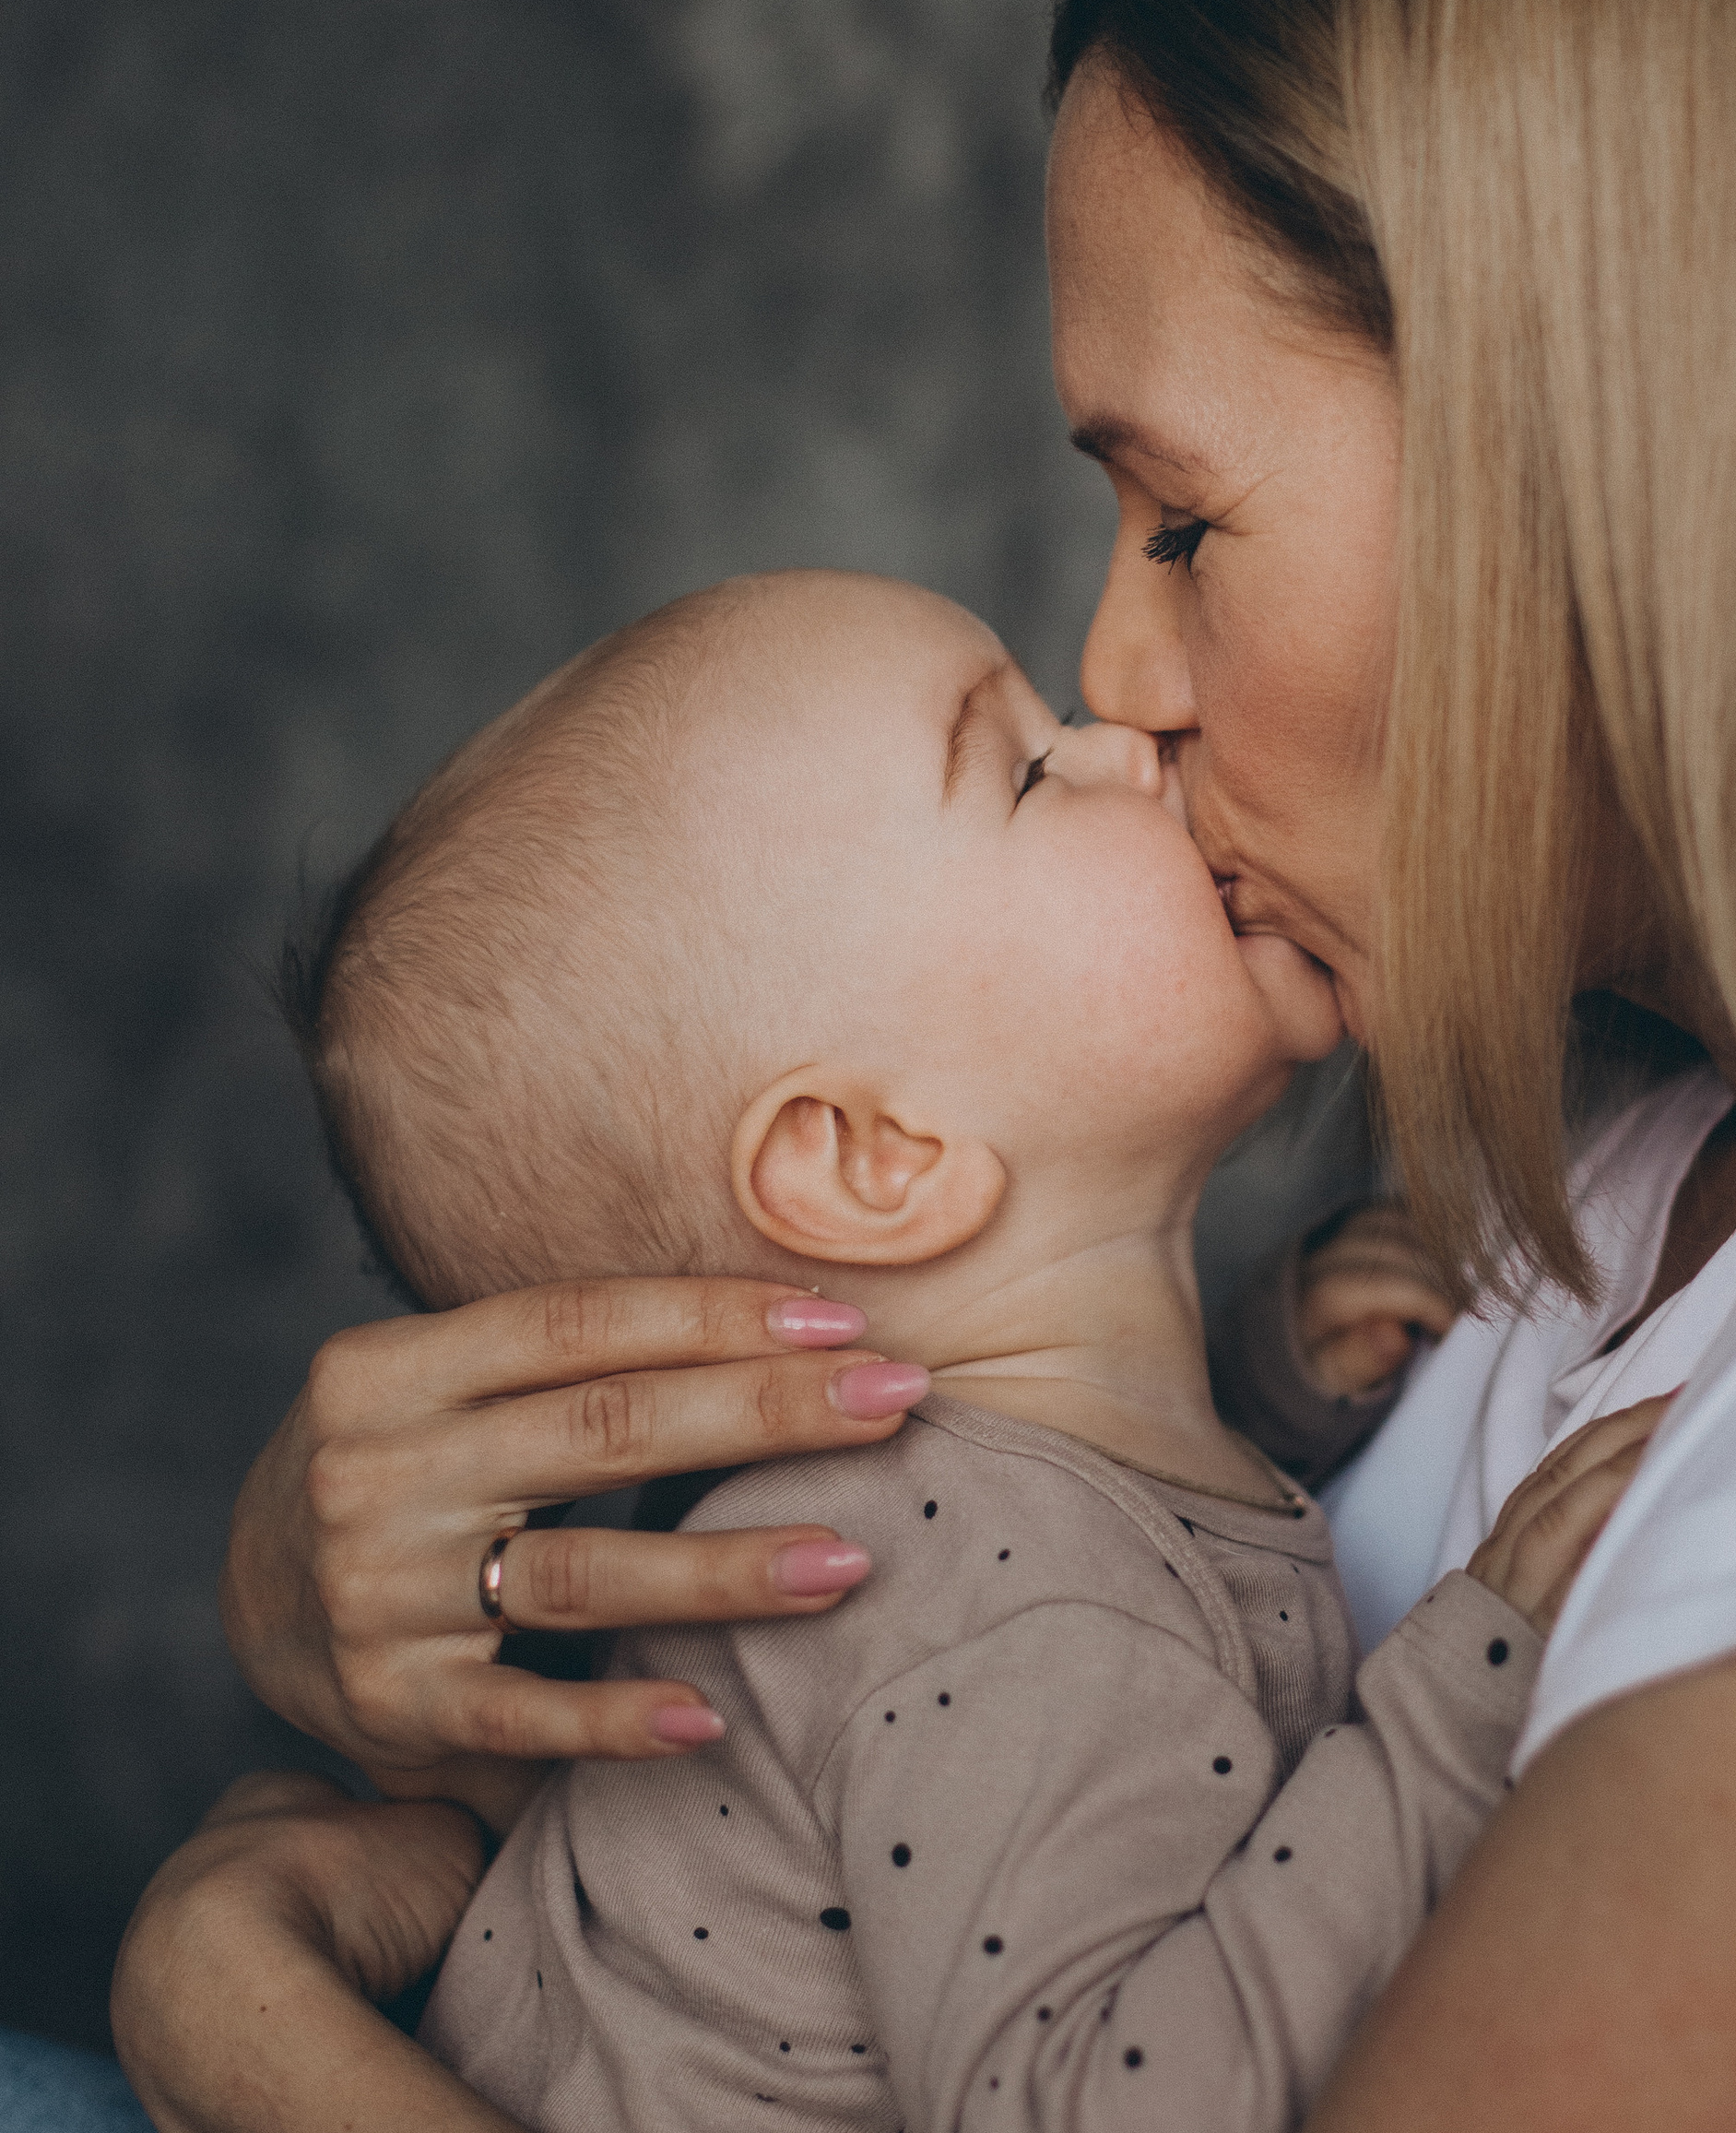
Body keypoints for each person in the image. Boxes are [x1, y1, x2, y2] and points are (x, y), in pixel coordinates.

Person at [109, 0, 1736, 2127]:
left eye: (1182, 521)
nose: (1120, 679)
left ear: (1628, 471)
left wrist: (246, 2021)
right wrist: (373, 1647)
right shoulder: (1593, 1195)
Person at [277, 562, 1651, 2129]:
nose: (1126, 739)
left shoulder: (955, 1533)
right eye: (1026, 770)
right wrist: (1457, 1710)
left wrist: (1274, 1383)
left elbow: (1119, 1589)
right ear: (877, 1158)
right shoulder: (1003, 1613)